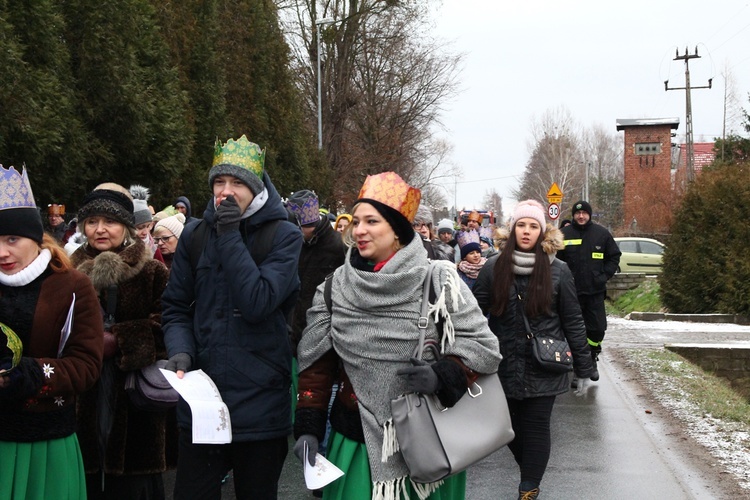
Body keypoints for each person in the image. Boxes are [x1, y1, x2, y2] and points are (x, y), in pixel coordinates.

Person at [293, 171, 501, 500]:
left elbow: (483, 348)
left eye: (371, 221)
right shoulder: (335, 288)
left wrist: (443, 376)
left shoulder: (439, 280)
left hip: (428, 445)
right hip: (355, 443)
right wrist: (308, 426)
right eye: (356, 221)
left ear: (398, 232)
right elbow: (317, 365)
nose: (359, 230)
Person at [161, 135, 302, 500]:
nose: (226, 191)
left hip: (260, 405)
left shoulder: (284, 235)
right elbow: (176, 306)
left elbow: (257, 301)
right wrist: (180, 349)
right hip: (202, 402)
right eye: (219, 183)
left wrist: (229, 234)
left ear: (256, 190)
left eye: (238, 183)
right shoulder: (194, 234)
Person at [472, 200, 596, 500]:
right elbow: (473, 315)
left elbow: (573, 320)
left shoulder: (559, 271)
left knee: (538, 426)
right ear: (512, 229)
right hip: (504, 363)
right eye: (521, 225)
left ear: (542, 233)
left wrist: (584, 369)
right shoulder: (493, 267)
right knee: (508, 428)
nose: (526, 231)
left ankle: (528, 489)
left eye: (533, 226)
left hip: (545, 364)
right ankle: (530, 474)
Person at [0, 165, 103, 500]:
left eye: (12, 239)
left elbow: (86, 365)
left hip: (45, 443)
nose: (3, 252)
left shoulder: (72, 285)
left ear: (34, 236)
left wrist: (27, 374)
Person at [70, 182, 174, 500]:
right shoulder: (64, 273)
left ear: (126, 227)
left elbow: (168, 327)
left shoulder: (152, 272)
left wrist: (119, 340)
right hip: (80, 397)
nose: (100, 229)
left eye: (110, 221)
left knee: (133, 488)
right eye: (91, 221)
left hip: (135, 402)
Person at [556, 200, 621, 373]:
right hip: (570, 293)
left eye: (584, 213)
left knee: (597, 328)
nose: (581, 216)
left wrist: (603, 276)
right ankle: (574, 362)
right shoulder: (563, 234)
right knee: (570, 328)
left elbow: (614, 256)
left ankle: (592, 356)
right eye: (578, 213)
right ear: (573, 215)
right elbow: (554, 260)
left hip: (594, 292)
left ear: (589, 214)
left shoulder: (601, 234)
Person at [130, 185, 164, 264]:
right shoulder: (120, 248)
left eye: (148, 226)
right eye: (139, 227)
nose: (145, 232)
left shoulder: (155, 249)